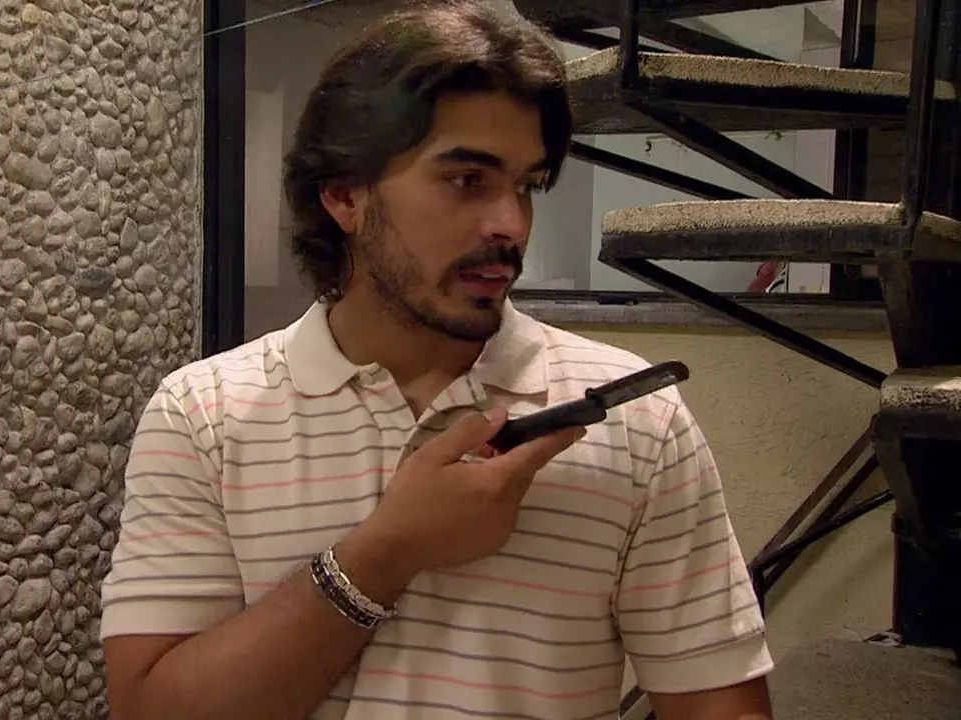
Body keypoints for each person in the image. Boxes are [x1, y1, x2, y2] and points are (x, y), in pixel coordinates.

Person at [99, 2, 774, 719]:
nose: (511, 224)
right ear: (344, 193)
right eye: (466, 180)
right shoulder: (203, 415)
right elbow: (150, 710)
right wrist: (388, 552)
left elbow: (720, 710)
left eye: (526, 185)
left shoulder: (639, 422)